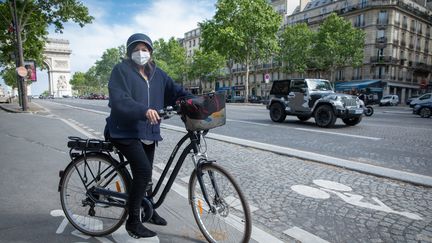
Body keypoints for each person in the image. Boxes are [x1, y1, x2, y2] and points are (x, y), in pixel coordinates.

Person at [104, 33, 189, 238]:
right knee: (142, 172)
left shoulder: (158, 75)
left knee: (147, 175)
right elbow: (120, 100)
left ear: (150, 53)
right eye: (135, 49)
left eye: (144, 49)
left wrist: (196, 100)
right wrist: (144, 110)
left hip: (149, 131)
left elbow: (176, 91)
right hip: (123, 130)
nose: (140, 53)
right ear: (129, 53)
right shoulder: (121, 71)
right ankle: (133, 222)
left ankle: (148, 211)